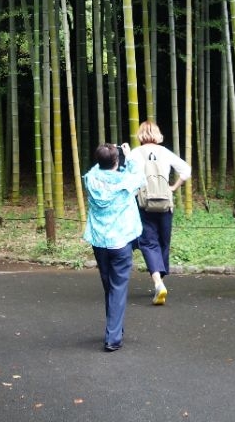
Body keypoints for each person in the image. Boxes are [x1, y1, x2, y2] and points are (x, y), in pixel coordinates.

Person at [83, 142, 146, 352]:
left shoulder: (91, 179)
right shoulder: (124, 180)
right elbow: (139, 176)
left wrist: (107, 156)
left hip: (99, 242)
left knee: (109, 286)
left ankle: (115, 328)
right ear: (116, 162)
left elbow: (95, 169)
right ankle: (113, 337)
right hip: (120, 242)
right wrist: (128, 157)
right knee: (117, 288)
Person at [128, 120, 191, 305]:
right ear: (157, 134)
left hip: (144, 204)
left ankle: (157, 282)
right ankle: (160, 280)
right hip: (165, 203)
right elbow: (186, 170)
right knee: (164, 241)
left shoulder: (134, 154)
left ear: (140, 135)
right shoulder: (165, 152)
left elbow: (127, 178)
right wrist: (173, 187)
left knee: (148, 243)